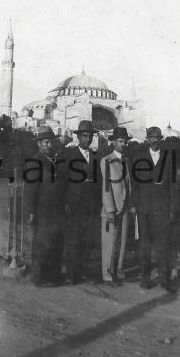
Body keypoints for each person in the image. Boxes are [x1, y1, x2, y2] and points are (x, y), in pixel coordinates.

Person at [130, 126, 176, 293]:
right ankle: (145, 279)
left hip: (162, 208)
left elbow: (172, 184)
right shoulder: (139, 157)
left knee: (163, 245)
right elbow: (134, 184)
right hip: (143, 208)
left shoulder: (168, 158)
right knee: (145, 245)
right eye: (151, 137)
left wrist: (171, 208)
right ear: (147, 138)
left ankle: (165, 280)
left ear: (161, 138)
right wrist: (133, 204)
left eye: (157, 137)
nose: (154, 140)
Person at [25, 126, 65, 286]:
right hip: (42, 210)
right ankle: (38, 278)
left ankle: (53, 277)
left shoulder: (53, 160)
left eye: (51, 142)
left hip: (56, 210)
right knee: (42, 243)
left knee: (55, 243)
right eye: (47, 142)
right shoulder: (35, 161)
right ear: (39, 144)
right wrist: (31, 211)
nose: (50, 145)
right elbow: (30, 188)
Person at [63, 120, 101, 284]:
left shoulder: (95, 156)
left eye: (90, 136)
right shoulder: (69, 156)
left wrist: (98, 203)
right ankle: (71, 274)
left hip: (90, 204)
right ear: (78, 137)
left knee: (88, 239)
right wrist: (65, 202)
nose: (88, 139)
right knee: (74, 238)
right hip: (74, 203)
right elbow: (63, 181)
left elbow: (98, 182)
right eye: (85, 136)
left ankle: (83, 271)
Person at [100, 127, 132, 285]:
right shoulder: (106, 160)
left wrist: (130, 205)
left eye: (125, 141)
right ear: (113, 142)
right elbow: (106, 188)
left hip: (125, 207)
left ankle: (117, 270)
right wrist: (110, 210)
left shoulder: (127, 161)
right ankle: (107, 275)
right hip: (112, 209)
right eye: (120, 141)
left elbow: (128, 185)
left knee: (122, 241)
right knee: (110, 241)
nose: (123, 144)